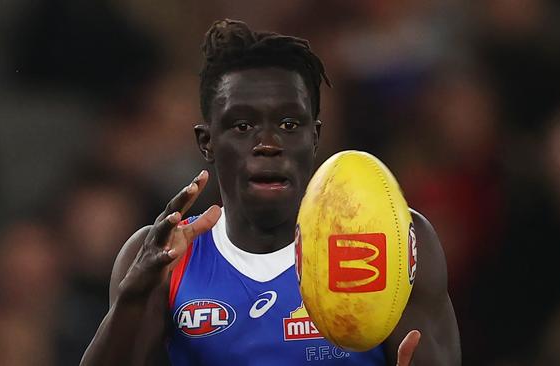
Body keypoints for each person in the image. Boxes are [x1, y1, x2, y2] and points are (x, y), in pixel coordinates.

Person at [81, 19, 460, 366]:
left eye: (289, 123)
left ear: (315, 137)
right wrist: (134, 295)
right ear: (207, 142)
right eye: (243, 125)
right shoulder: (160, 259)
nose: (267, 143)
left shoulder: (392, 245)